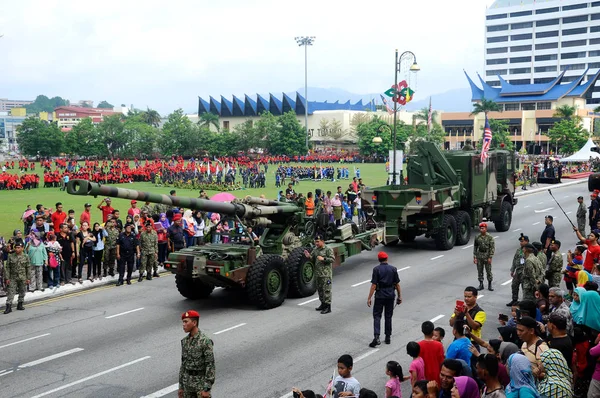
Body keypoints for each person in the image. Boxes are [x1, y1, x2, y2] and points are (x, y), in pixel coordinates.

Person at [367, 251, 402, 347]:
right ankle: (388, 337)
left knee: (377, 316)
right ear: (387, 259)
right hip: (390, 295)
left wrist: (369, 298)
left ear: (379, 260)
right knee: (388, 316)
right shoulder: (393, 269)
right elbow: (397, 284)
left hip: (380, 295)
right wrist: (399, 296)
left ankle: (377, 337)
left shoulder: (376, 269)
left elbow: (374, 285)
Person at [178, 310, 215, 398]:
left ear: (194, 323)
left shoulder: (205, 341)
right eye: (183, 322)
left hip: (200, 384)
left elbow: (210, 365)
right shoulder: (185, 341)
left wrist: (206, 388)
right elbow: (183, 365)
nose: (183, 324)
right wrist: (181, 387)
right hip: (187, 384)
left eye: (186, 321)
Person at [304, 235, 335, 314]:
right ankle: (322, 304)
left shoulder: (328, 249)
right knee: (320, 291)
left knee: (326, 291)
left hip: (326, 275)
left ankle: (328, 307)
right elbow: (313, 259)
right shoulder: (315, 250)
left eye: (318, 241)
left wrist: (324, 259)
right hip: (318, 274)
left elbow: (332, 259)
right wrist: (308, 256)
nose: (316, 243)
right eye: (315, 242)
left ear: (322, 241)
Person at [4, 241, 30, 314]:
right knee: (11, 292)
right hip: (13, 277)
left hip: (22, 277)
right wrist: (7, 278)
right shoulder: (11, 256)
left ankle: (20, 304)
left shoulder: (26, 256)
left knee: (22, 291)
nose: (17, 249)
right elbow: (8, 267)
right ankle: (8, 306)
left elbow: (28, 268)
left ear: (22, 248)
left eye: (19, 248)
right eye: (16, 248)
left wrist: (28, 278)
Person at [508, 234, 528, 306]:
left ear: (527, 241)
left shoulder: (530, 250)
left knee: (524, 287)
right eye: (520, 241)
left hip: (524, 271)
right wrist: (512, 270)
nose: (521, 243)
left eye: (522, 241)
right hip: (518, 271)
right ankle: (514, 300)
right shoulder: (519, 250)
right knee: (514, 285)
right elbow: (515, 260)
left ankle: (524, 302)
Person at [473, 222, 495, 291]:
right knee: (480, 271)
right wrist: (475, 257)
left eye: (483, 228)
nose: (481, 230)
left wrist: (490, 257)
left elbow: (492, 248)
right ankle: (481, 284)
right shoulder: (477, 237)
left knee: (488, 271)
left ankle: (490, 284)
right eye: (480, 228)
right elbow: (475, 247)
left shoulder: (490, 237)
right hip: (479, 255)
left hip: (487, 255)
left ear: (486, 228)